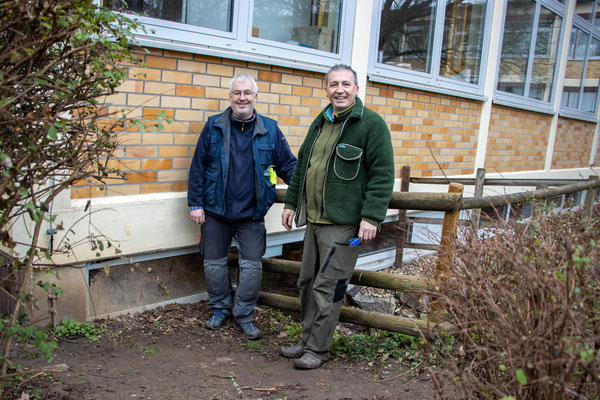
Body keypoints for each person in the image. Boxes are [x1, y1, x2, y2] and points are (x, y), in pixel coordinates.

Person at [280, 64, 395, 368]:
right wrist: (291, 203)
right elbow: (302, 165)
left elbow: (383, 175)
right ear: (326, 89)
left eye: (346, 84)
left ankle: (318, 350)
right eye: (333, 84)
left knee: (328, 286)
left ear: (357, 89)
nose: (339, 90)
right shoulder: (320, 122)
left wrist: (371, 216)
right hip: (315, 220)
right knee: (306, 282)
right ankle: (306, 340)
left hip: (344, 225)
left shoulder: (371, 125)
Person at [188, 74, 297, 340]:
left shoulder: (270, 129)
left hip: (251, 213)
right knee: (213, 264)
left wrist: (298, 196)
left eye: (248, 92)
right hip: (216, 210)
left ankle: (244, 316)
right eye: (237, 93)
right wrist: (195, 203)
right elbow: (198, 167)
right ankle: (219, 309)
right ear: (230, 97)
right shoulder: (214, 126)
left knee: (251, 267)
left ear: (255, 97)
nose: (242, 98)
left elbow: (289, 166)